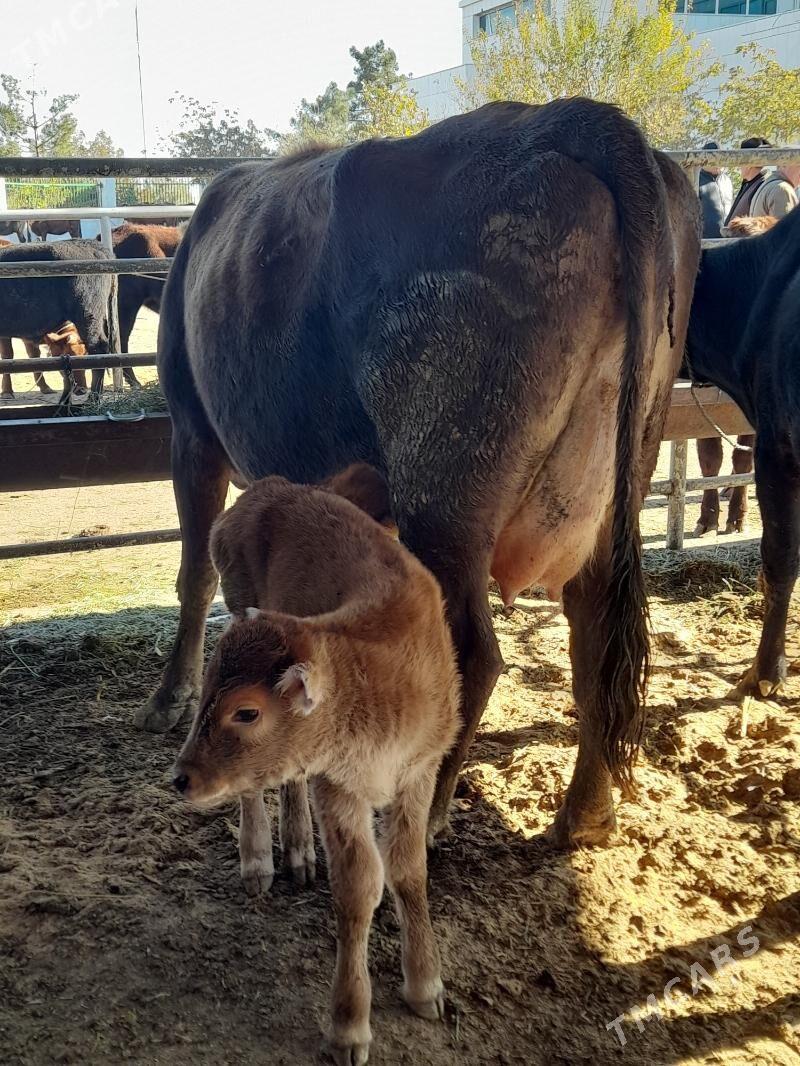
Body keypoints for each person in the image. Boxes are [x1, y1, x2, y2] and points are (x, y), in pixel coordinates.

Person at [726, 136, 773, 223]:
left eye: (741, 160)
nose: (739, 165)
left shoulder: (761, 186)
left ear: (749, 163)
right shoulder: (749, 183)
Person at [698, 141, 734, 238]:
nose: (718, 163)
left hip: (727, 239)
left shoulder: (727, 180)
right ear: (705, 159)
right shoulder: (695, 181)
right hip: (705, 241)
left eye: (720, 159)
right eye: (714, 159)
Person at [750, 150, 800, 219]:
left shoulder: (768, 184)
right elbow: (785, 228)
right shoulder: (783, 189)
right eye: (799, 165)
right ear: (784, 164)